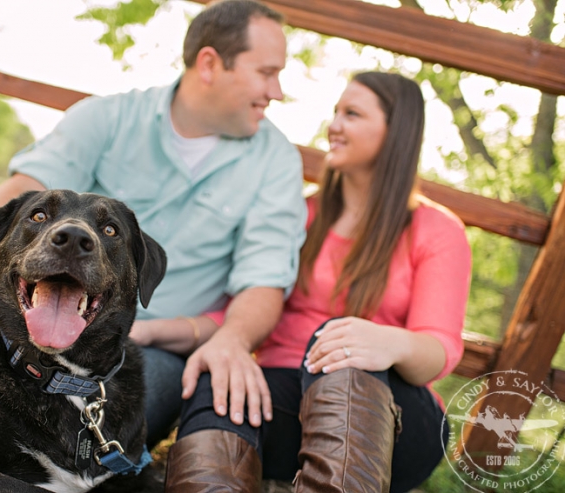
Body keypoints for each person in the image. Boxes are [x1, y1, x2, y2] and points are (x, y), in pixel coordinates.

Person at [0, 0, 306, 452]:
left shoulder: (276, 162)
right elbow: (19, 191)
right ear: (209, 63)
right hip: (35, 298)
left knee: (127, 407)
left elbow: (264, 284)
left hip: (140, 345)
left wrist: (233, 339)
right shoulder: (107, 116)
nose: (278, 91)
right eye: (267, 72)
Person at [162, 72, 472, 492]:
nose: (335, 125)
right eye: (335, 112)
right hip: (285, 401)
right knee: (220, 377)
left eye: (352, 114)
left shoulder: (437, 231)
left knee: (340, 340)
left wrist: (387, 342)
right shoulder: (299, 214)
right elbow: (248, 303)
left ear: (395, 131)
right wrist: (154, 330)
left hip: (393, 423)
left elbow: (441, 349)